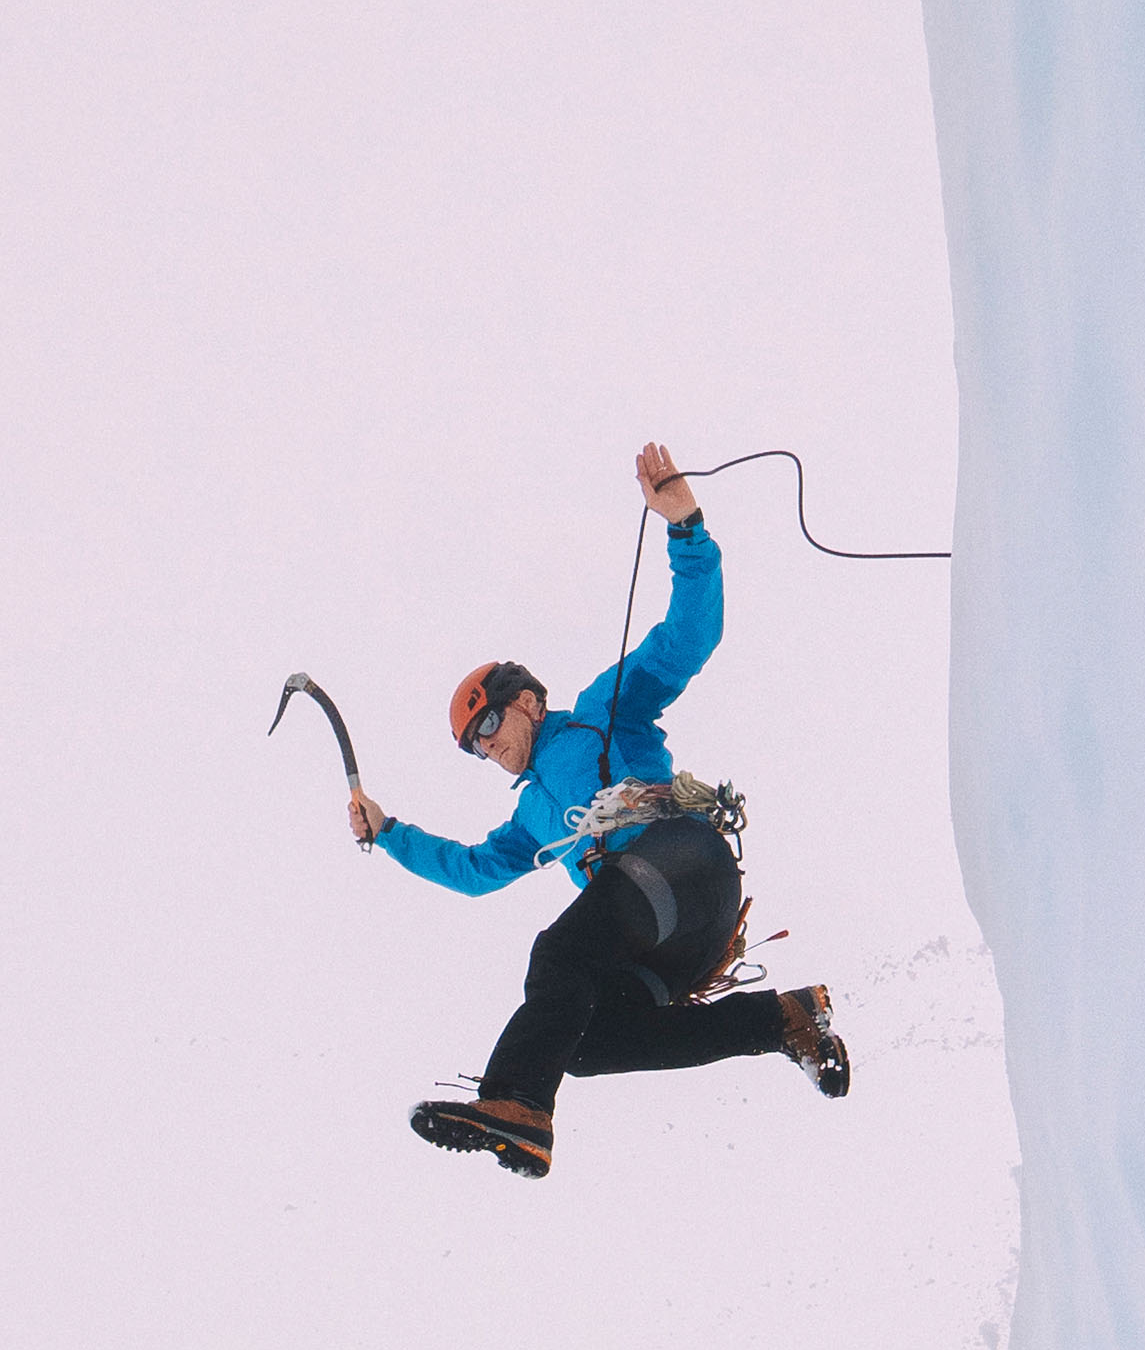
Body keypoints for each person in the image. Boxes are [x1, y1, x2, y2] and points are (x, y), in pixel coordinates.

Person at [350, 443, 849, 1178]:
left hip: (686, 865)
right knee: (584, 1041)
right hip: (673, 941)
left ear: (525, 699)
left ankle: (516, 1101)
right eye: (471, 747)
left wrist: (686, 528)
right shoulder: (530, 826)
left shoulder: (599, 714)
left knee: (558, 955)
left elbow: (686, 639)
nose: (485, 748)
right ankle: (783, 1019)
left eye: (486, 725)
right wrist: (389, 834)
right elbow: (471, 871)